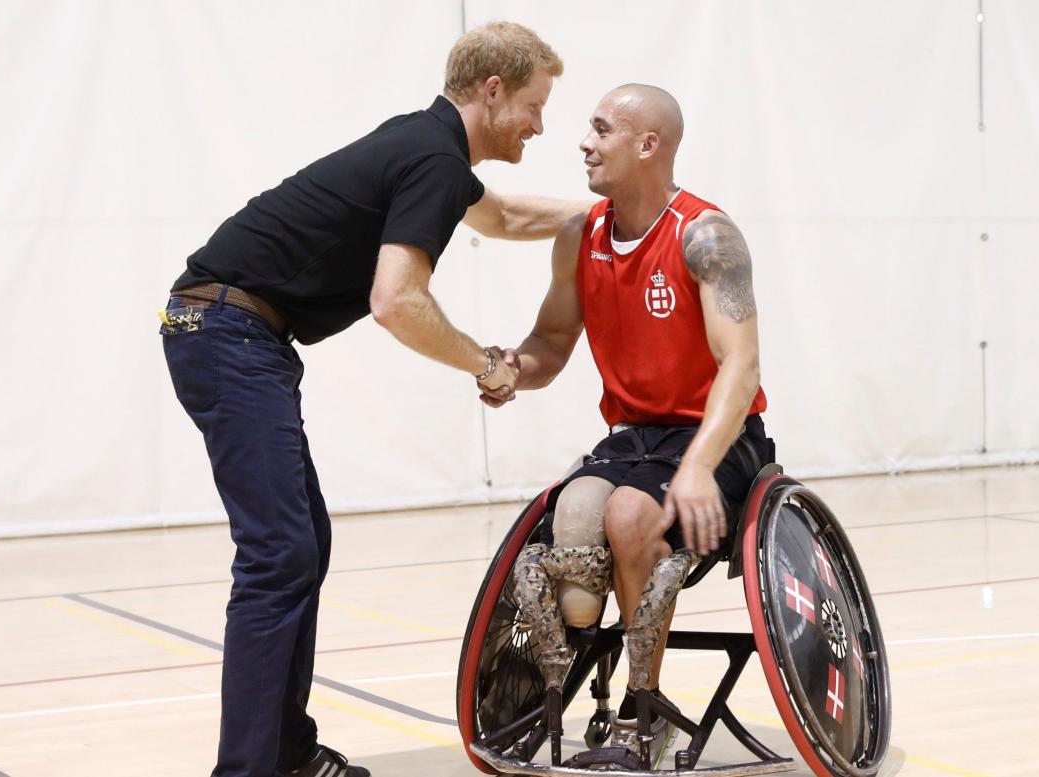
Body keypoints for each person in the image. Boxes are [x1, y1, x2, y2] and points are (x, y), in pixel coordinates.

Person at [160, 22, 587, 777]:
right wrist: (486, 364)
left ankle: (286, 752)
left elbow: (506, 217)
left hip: (227, 328)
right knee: (278, 553)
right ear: (491, 92)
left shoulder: (426, 147)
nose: (540, 124)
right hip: (227, 330)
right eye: (532, 104)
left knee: (301, 544)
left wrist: (608, 211)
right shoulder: (431, 156)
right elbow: (396, 300)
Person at [485, 84, 772, 767]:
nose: (583, 141)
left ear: (648, 145)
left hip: (715, 434)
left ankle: (649, 710)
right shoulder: (579, 236)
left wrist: (701, 463)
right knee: (577, 536)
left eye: (601, 128)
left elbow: (743, 361)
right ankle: (563, 689)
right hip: (633, 439)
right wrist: (509, 368)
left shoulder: (705, 235)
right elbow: (552, 343)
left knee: (627, 513)